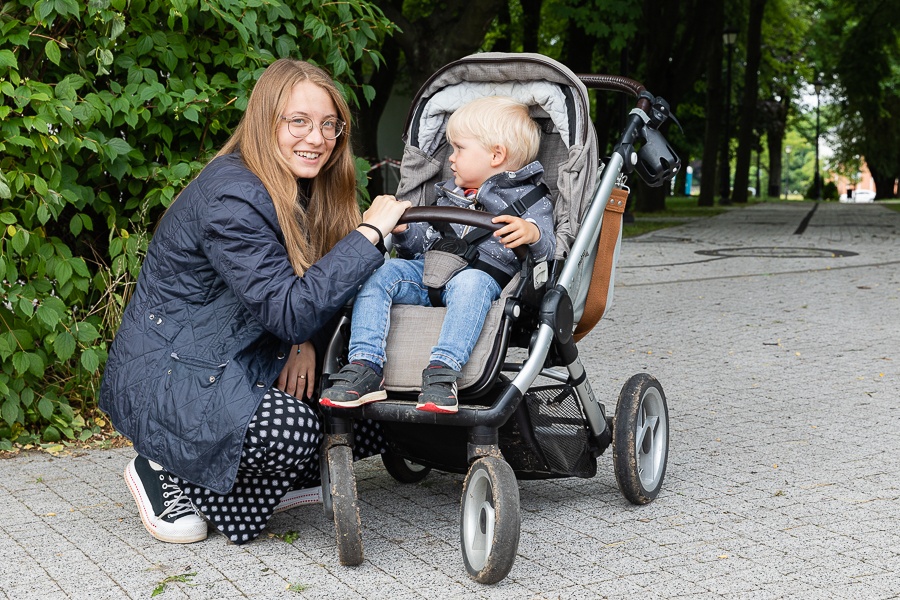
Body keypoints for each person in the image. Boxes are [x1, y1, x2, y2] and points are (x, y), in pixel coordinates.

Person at [98, 58, 410, 545]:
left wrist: (302, 340)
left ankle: (244, 481)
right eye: (299, 122)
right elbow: (290, 308)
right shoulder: (233, 198)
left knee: (370, 408)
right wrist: (369, 234)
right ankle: (162, 467)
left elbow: (301, 295)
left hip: (238, 350)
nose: (317, 138)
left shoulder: (303, 186)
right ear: (267, 123)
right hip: (176, 373)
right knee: (294, 431)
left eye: (330, 125)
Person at [320, 96, 554, 414]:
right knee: (382, 273)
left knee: (471, 281)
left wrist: (533, 234)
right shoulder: (447, 195)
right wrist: (405, 232)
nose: (451, 159)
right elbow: (423, 245)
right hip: (431, 270)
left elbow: (550, 250)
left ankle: (442, 372)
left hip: (481, 278)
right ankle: (365, 365)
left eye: (459, 149)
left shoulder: (530, 199)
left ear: (496, 155)